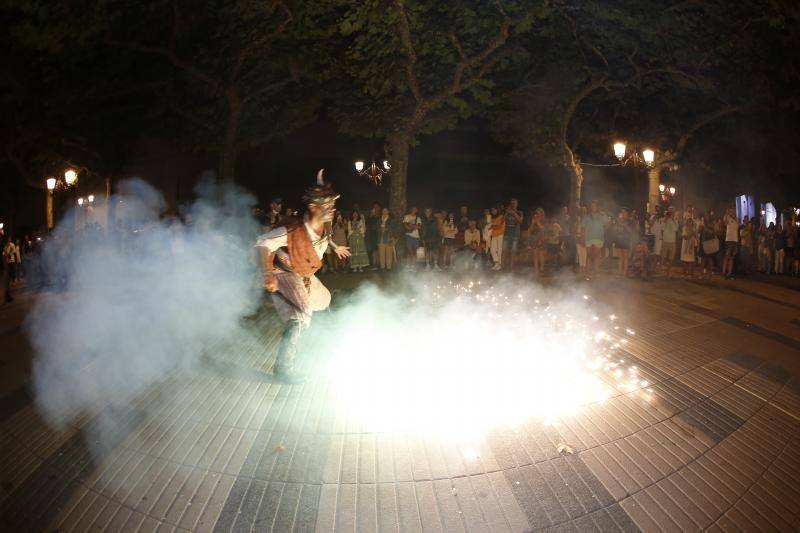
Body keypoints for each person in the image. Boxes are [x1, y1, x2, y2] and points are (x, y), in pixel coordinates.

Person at [256, 169, 351, 383]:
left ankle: (326, 349)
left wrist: (335, 247)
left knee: (324, 300)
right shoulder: (292, 230)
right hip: (283, 272)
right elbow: (263, 242)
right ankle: (283, 369)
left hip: (304, 274)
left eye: (332, 205)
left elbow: (324, 238)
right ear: (313, 207)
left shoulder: (325, 224)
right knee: (300, 316)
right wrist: (267, 274)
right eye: (326, 206)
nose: (332, 209)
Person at [582, 201, 609, 277]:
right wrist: (582, 238)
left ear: (597, 207)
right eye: (592, 206)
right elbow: (583, 228)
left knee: (597, 255)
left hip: (598, 237)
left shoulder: (601, 215)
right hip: (588, 238)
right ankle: (587, 272)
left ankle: (596, 272)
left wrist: (603, 230)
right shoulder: (586, 216)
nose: (593, 207)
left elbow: (608, 223)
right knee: (589, 255)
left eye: (594, 206)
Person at [502, 198, 523, 271]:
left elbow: (520, 221)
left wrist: (514, 213)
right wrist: (507, 212)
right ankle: (502, 266)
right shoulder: (507, 212)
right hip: (507, 233)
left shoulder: (520, 212)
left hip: (515, 234)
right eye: (512, 203)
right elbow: (502, 220)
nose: (513, 204)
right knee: (504, 250)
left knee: (513, 251)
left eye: (514, 203)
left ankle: (511, 267)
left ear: (517, 204)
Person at [613, 208, 633, 276]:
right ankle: (619, 272)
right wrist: (618, 223)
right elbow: (614, 230)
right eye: (621, 212)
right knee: (620, 257)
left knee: (625, 258)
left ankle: (624, 273)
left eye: (624, 212)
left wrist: (624, 224)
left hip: (626, 240)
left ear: (627, 213)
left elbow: (631, 231)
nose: (622, 213)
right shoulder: (618, 220)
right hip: (618, 240)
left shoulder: (629, 221)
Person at [661, 208, 679, 278]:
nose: (671, 213)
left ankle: (668, 272)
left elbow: (676, 229)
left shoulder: (675, 220)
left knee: (671, 258)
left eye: (672, 211)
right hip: (665, 241)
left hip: (672, 242)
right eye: (670, 211)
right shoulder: (664, 219)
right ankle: (661, 272)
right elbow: (662, 228)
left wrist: (674, 220)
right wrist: (666, 219)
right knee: (663, 257)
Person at [722, 207, 739, 279]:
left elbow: (738, 225)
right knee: (727, 256)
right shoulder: (727, 217)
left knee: (732, 257)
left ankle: (729, 273)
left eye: (734, 210)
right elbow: (724, 223)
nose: (733, 212)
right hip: (728, 240)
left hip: (735, 240)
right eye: (731, 210)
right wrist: (726, 214)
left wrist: (734, 217)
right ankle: (723, 272)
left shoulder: (737, 218)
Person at [366, 203, 381, 270]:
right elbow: (367, 223)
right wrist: (370, 216)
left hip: (380, 234)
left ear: (379, 208)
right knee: (374, 249)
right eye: (374, 207)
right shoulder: (371, 216)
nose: (375, 208)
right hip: (373, 234)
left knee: (379, 249)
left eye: (377, 207)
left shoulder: (381, 216)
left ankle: (379, 264)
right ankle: (374, 264)